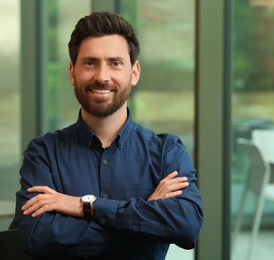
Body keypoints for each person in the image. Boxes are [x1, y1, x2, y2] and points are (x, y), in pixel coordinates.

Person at [15, 11, 203, 260]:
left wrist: (84, 206)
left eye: (115, 63)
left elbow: (186, 226)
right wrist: (145, 217)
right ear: (72, 72)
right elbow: (36, 236)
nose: (102, 76)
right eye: (90, 62)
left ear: (134, 72)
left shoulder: (166, 152)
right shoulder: (44, 153)